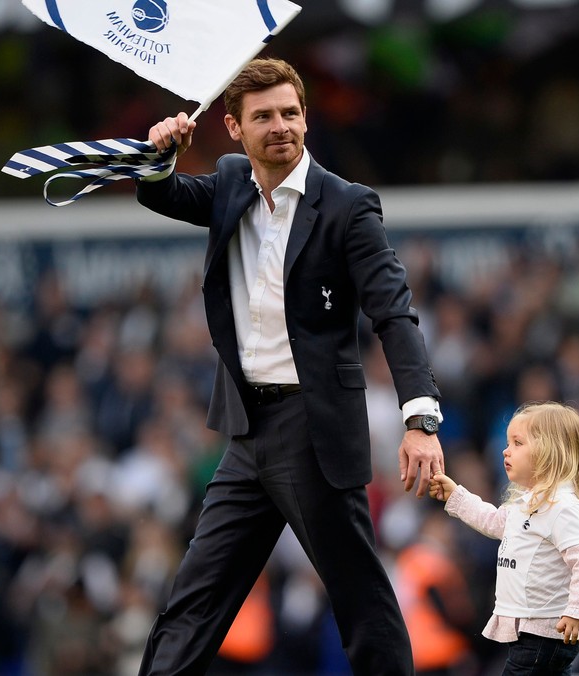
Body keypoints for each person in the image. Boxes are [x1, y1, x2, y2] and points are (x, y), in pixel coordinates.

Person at [133, 57, 445, 675]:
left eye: (291, 112)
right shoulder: (228, 183)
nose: (281, 126)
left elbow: (394, 314)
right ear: (232, 128)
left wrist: (421, 419)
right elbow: (161, 192)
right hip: (247, 430)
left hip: (314, 430)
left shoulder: (348, 207)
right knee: (194, 599)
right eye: (264, 116)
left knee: (361, 602)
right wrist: (160, 152)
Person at [430, 402, 579, 676]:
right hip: (532, 632)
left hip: (545, 631)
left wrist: (578, 611)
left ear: (550, 451)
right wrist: (456, 496)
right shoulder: (528, 503)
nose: (505, 450)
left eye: (518, 443)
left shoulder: (563, 507)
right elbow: (494, 521)